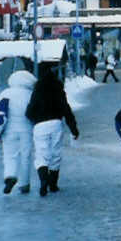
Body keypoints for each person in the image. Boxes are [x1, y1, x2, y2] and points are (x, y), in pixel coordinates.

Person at [26, 67, 80, 197]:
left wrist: (35, 119)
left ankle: (43, 180)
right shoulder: (58, 90)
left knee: (41, 154)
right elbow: (66, 110)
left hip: (40, 126)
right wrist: (74, 129)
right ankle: (53, 184)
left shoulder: (37, 91)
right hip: (56, 124)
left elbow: (29, 111)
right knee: (55, 154)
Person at [0, 70, 37, 194]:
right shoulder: (30, 94)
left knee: (9, 155)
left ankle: (10, 176)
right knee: (25, 156)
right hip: (26, 129)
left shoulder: (5, 94)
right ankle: (24, 184)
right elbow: (35, 112)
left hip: (8, 130)